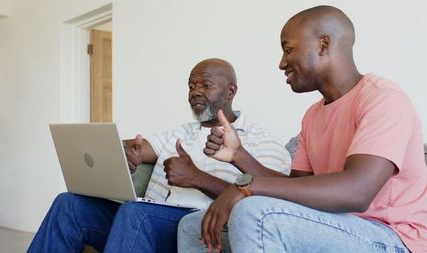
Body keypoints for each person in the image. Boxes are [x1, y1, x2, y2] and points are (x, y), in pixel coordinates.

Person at [178, 6, 427, 253]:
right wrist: (238, 155)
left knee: (255, 213)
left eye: (288, 50)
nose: (281, 63)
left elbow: (357, 192)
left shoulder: (383, 99)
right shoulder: (313, 115)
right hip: (334, 226)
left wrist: (247, 187)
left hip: (392, 238)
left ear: (323, 44)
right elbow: (295, 188)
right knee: (194, 225)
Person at [27, 58, 292, 253]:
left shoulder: (261, 140)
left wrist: (196, 178)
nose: (195, 91)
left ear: (231, 91)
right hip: (143, 217)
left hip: (199, 225)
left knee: (136, 212)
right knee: (69, 204)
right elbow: (137, 147)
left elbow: (266, 202)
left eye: (206, 85)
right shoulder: (181, 132)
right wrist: (123, 154)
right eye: (191, 85)